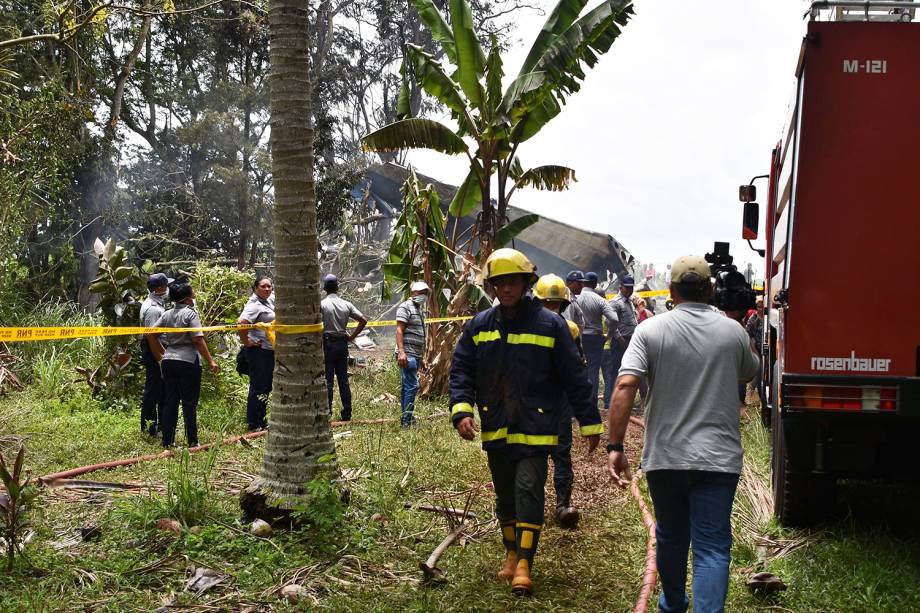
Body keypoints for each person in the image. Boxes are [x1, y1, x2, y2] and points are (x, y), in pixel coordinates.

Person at [606, 255, 759, 613]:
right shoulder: (732, 331)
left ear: (671, 291)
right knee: (712, 546)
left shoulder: (650, 330)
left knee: (671, 536)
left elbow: (626, 383)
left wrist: (615, 445)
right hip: (718, 461)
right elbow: (749, 373)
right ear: (709, 290)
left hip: (666, 459)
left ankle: (673, 604)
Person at [450, 249, 602, 596]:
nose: (506, 289)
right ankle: (510, 554)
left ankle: (524, 564)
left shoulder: (551, 324)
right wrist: (461, 411)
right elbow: (462, 370)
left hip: (537, 428)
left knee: (527, 490)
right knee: (505, 496)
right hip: (496, 425)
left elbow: (574, 376)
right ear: (492, 286)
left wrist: (589, 421)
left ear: (526, 283)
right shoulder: (480, 325)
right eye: (499, 283)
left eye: (512, 282)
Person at [532, 273, 585, 529]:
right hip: (533, 402)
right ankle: (533, 505)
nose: (552, 309)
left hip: (559, 403)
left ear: (563, 306)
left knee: (561, 454)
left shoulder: (571, 330)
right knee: (534, 454)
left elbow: (578, 370)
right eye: (548, 304)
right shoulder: (526, 328)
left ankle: (563, 505)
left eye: (556, 305)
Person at [147, 282, 219, 448]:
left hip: (169, 361)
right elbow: (197, 339)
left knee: (170, 401)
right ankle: (193, 442)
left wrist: (162, 353)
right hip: (188, 362)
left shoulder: (167, 314)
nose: (194, 296)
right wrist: (211, 361)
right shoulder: (191, 314)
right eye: (192, 294)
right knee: (189, 402)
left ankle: (167, 441)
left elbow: (150, 333)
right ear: (187, 299)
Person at [566, 270, 617, 410]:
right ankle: (590, 404)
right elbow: (614, 318)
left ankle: (576, 404)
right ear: (595, 284)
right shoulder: (599, 300)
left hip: (577, 337)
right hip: (595, 338)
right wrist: (609, 335)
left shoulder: (572, 298)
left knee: (577, 370)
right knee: (593, 372)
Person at [320, 274, 368, 421]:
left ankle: (327, 414)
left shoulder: (321, 304)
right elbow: (363, 320)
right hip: (342, 344)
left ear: (325, 288)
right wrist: (352, 337)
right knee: (343, 380)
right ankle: (347, 413)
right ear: (337, 288)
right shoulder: (346, 304)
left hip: (327, 344)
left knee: (327, 381)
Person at [238, 276, 275, 432]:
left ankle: (261, 419)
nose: (267, 289)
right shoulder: (254, 305)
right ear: (255, 288)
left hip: (268, 351)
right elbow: (241, 323)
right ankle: (254, 423)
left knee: (265, 386)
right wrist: (247, 341)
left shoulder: (269, 300)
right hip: (258, 352)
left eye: (269, 286)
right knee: (258, 387)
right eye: (263, 286)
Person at [140, 273, 170, 437]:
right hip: (154, 351)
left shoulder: (158, 304)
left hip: (158, 349)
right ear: (159, 288)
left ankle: (161, 425)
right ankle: (150, 426)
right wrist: (161, 358)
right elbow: (151, 337)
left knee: (161, 390)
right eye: (165, 286)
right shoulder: (152, 308)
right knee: (153, 390)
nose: (167, 289)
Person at [396, 281, 430, 427]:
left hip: (415, 355)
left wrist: (421, 358)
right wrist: (402, 352)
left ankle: (406, 418)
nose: (424, 296)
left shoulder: (419, 310)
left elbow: (419, 334)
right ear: (414, 293)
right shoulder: (405, 307)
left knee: (407, 387)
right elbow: (399, 330)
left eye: (426, 293)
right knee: (413, 386)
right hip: (407, 354)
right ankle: (407, 420)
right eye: (422, 292)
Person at [603, 276, 637, 410]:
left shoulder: (630, 301)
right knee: (615, 371)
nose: (630, 290)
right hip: (620, 342)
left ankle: (624, 401)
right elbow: (608, 321)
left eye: (631, 287)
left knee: (628, 372)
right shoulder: (615, 302)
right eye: (627, 287)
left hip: (630, 341)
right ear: (620, 286)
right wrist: (619, 338)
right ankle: (611, 402)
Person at [745, 296, 767, 410]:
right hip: (756, 349)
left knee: (763, 374)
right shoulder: (753, 319)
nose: (761, 309)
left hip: (766, 350)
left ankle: (757, 395)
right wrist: (755, 353)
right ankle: (753, 394)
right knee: (758, 372)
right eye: (759, 307)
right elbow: (749, 336)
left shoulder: (767, 319)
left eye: (762, 306)